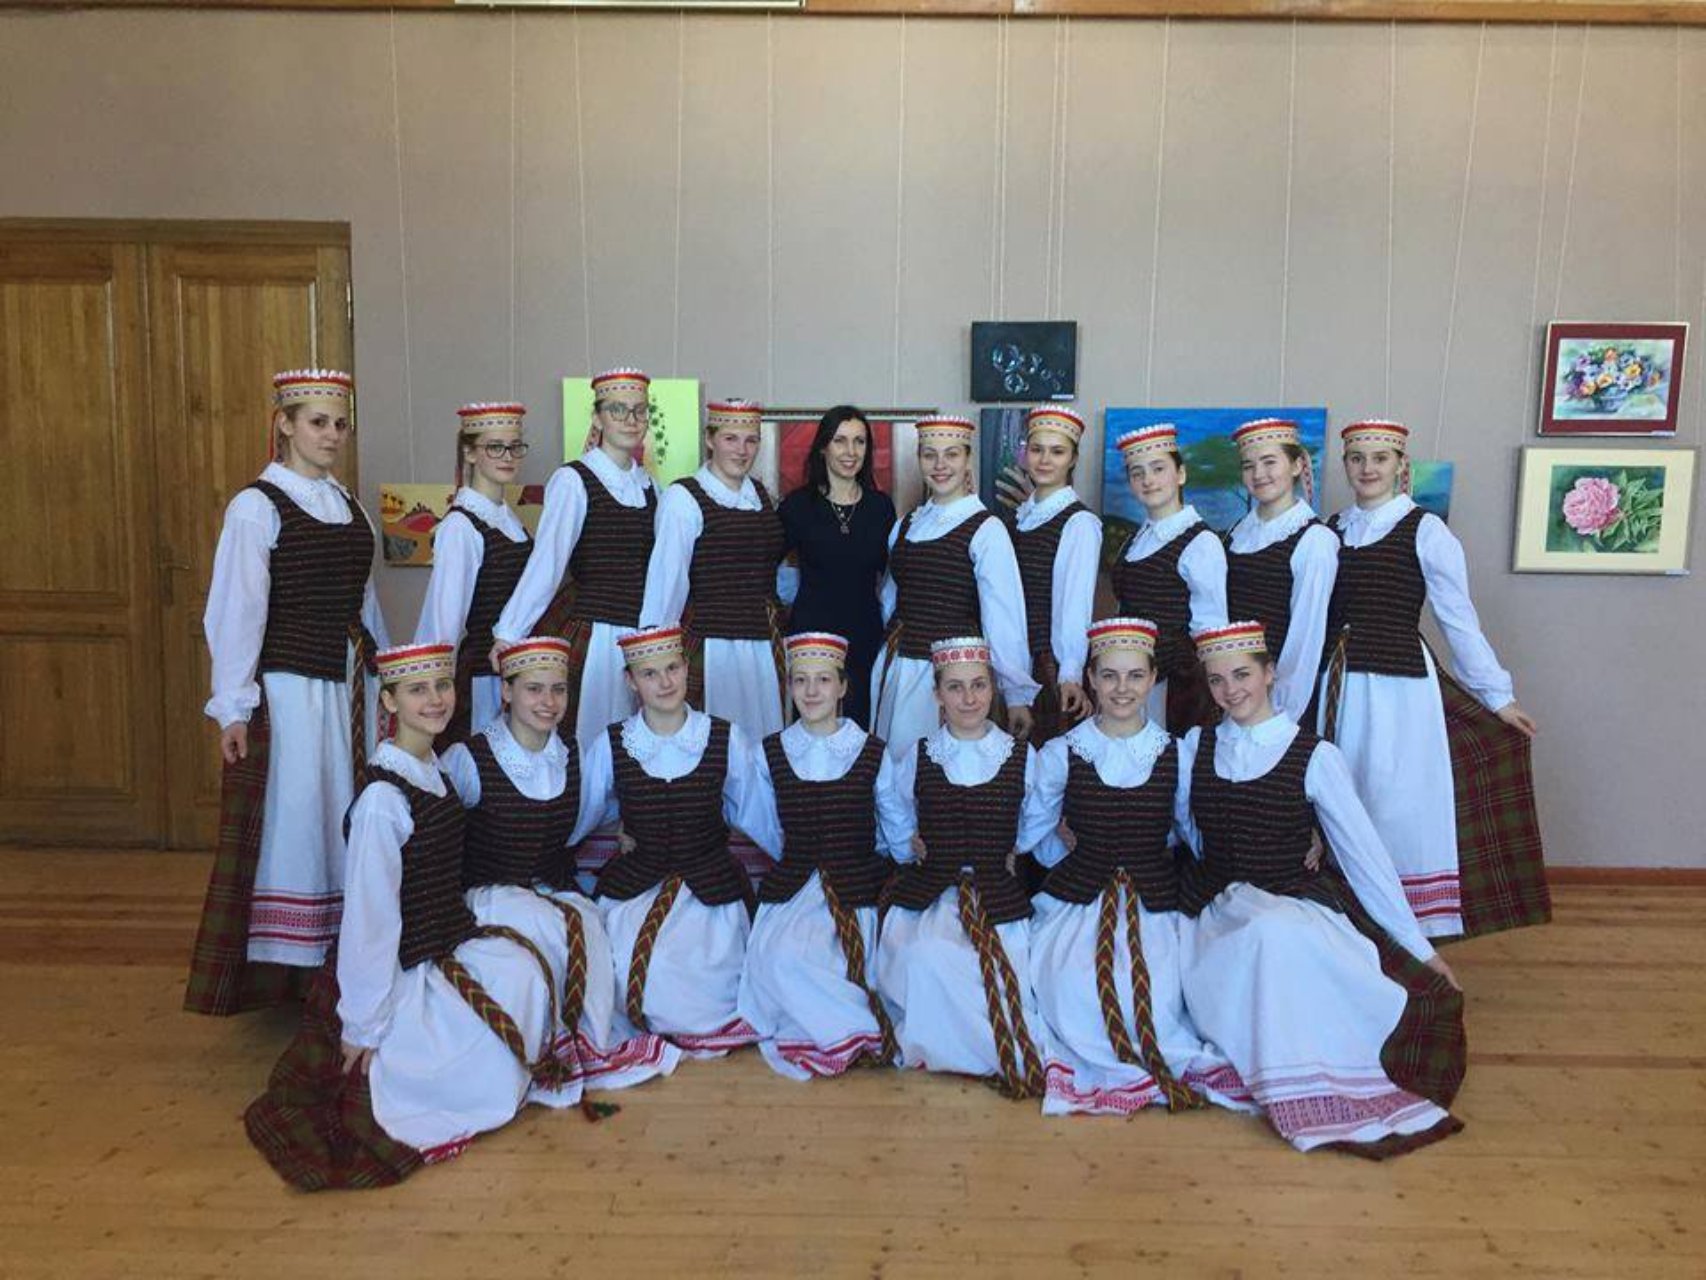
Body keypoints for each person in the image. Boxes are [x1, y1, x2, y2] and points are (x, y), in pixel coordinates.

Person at [244, 644, 569, 1191]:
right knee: (467, 1055)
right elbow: (370, 922)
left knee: (525, 975)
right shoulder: (383, 800)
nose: (436, 699)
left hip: (446, 936)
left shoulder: (433, 770)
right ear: (390, 701)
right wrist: (362, 1025)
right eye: (418, 690)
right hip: (403, 960)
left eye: (442, 686)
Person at [1177, 622, 1466, 1157]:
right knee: (1256, 935)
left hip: (1292, 901)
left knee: (1275, 934)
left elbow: (1366, 860)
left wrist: (1421, 949)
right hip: (1218, 907)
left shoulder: (1314, 756)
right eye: (1217, 680)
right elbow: (1186, 832)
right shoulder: (1197, 747)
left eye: (1242, 675)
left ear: (1269, 674)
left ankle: (1312, 1072)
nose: (1231, 690)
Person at [186, 369, 390, 1016]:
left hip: (348, 688)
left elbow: (364, 604)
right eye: (318, 423)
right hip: (291, 691)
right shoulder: (257, 507)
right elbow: (237, 610)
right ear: (285, 424)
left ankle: (338, 966)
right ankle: (288, 976)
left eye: (340, 424)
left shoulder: (349, 506)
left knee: (343, 817)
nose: (332, 435)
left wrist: (385, 679)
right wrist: (233, 705)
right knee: (297, 823)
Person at [1319, 420, 1547, 939]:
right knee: (1342, 794)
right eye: (1357, 458)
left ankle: (1404, 925)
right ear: (1346, 464)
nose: (1368, 468)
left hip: (1398, 686)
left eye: (1380, 458)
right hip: (1337, 683)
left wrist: (1498, 696)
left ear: (1401, 464)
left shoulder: (1424, 529)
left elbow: (1457, 618)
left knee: (1395, 798)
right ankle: (1349, 916)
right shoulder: (1332, 530)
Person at [1023, 618, 1251, 1117]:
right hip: (1080, 900)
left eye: (1134, 676)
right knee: (1074, 983)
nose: (1121, 688)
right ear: (1090, 678)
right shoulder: (1062, 754)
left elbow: (1192, 831)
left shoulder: (1176, 753)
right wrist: (1064, 845)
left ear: (1151, 680)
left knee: (1160, 989)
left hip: (1156, 902)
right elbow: (1028, 834)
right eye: (1109, 676)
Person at [441, 637, 681, 1097]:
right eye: (533, 689)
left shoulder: (571, 754)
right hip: (488, 892)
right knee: (549, 926)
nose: (548, 702)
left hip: (551, 886)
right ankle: (551, 1048)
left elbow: (594, 811)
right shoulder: (469, 759)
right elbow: (439, 838)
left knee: (590, 924)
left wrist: (632, 827)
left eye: (558, 689)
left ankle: (587, 1040)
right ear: (506, 691)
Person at [579, 623, 782, 1056]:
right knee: (626, 964)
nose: (665, 682)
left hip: (711, 892)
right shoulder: (612, 744)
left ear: (687, 668)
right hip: (636, 887)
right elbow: (583, 816)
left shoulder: (725, 738)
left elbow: (758, 816)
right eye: (649, 674)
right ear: (631, 681)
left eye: (672, 668)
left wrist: (797, 868)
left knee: (695, 972)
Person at [875, 636, 1054, 1099]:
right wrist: (909, 844)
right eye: (955, 687)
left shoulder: (1020, 756)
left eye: (978, 685)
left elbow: (1039, 814)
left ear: (992, 690)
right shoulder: (919, 755)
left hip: (998, 893)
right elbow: (895, 812)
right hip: (934, 894)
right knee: (927, 955)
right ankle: (946, 1047)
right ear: (937, 694)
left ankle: (990, 1049)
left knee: (1005, 962)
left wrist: (1014, 846)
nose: (969, 698)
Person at [737, 632, 901, 1079]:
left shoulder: (871, 751)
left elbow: (895, 829)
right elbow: (764, 823)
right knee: (780, 955)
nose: (811, 691)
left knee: (834, 959)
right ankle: (838, 1029)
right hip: (794, 888)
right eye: (801, 680)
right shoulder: (771, 751)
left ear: (843, 687)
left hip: (856, 887)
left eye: (824, 680)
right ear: (789, 687)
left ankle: (846, 1028)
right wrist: (800, 854)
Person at [488, 368, 658, 747]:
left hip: (638, 636)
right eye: (618, 410)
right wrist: (510, 631)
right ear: (597, 417)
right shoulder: (574, 480)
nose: (630, 420)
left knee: (635, 744)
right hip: (596, 633)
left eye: (639, 410)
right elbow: (547, 563)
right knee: (590, 739)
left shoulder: (651, 487)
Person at [871, 415, 1038, 751]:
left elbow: (1003, 616)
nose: (940, 465)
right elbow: (890, 598)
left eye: (951, 454)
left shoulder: (986, 529)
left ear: (967, 459)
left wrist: (1016, 693)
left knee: (939, 764)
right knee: (896, 762)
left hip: (952, 677)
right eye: (929, 455)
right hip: (898, 666)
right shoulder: (905, 524)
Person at [641, 399, 789, 740]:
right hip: (713, 644)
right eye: (730, 439)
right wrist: (655, 658)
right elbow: (666, 583)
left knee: (762, 742)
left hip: (762, 641)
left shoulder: (759, 494)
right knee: (716, 742)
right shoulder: (684, 498)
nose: (742, 450)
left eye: (751, 440)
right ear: (710, 439)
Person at [416, 402, 532, 749]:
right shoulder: (461, 526)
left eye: (514, 447)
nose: (507, 456)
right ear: (469, 452)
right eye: (494, 447)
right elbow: (444, 620)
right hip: (483, 677)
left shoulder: (509, 520)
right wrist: (433, 688)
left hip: (515, 674)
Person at [777, 407, 897, 729]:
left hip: (865, 637)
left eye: (859, 441)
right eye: (840, 441)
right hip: (811, 638)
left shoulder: (881, 508)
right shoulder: (797, 506)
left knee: (860, 729)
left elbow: (893, 577)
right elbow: (764, 566)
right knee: (811, 727)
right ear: (823, 447)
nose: (851, 451)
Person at [1107, 423, 1227, 731]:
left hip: (1174, 687)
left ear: (1181, 474)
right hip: (1128, 679)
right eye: (1137, 473)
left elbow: (1210, 629)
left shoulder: (1201, 542)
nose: (1148, 480)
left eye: (1158, 469)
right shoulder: (1136, 539)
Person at [1223, 418, 1337, 724]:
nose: (1258, 474)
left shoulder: (1315, 540)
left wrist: (1281, 713)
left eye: (1269, 462)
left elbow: (1305, 638)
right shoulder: (1235, 534)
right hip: (1230, 693)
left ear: (1297, 465)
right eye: (1248, 466)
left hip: (1276, 705)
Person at [1009, 406, 1102, 744]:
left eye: (1057, 451)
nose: (1045, 460)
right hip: (1015, 661)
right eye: (1037, 450)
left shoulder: (1079, 523)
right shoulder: (1019, 518)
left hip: (1049, 664)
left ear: (1073, 459)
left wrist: (1070, 672)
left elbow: (1074, 604)